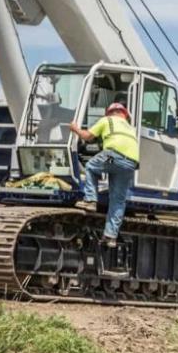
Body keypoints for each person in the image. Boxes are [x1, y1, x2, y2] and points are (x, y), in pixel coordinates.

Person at [69, 103, 140, 247]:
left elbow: (87, 137)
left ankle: (90, 200)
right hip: (131, 163)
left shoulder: (106, 120)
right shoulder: (130, 128)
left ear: (110, 112)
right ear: (124, 114)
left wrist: (75, 129)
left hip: (114, 155)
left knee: (90, 167)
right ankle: (110, 236)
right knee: (118, 201)